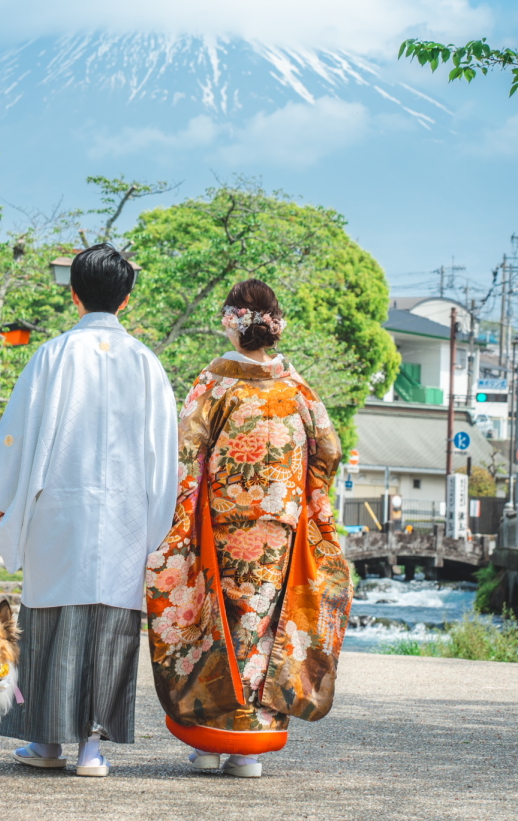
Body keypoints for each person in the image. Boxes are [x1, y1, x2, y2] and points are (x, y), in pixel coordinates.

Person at [0, 243, 179, 777]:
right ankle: (92, 749)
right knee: (110, 625)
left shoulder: (53, 354)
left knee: (49, 624)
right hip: (127, 514)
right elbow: (164, 455)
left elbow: (18, 436)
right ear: (127, 299)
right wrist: (159, 524)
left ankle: (46, 745)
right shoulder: (147, 364)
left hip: (58, 508)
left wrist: (3, 502)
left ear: (73, 293)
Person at [147, 278, 353, 778]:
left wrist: (184, 514)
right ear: (274, 327)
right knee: (266, 624)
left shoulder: (216, 383)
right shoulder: (297, 388)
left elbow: (185, 452)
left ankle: (214, 740)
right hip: (281, 531)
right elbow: (328, 449)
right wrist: (307, 500)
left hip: (222, 525)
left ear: (232, 323)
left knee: (218, 622)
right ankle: (251, 748)